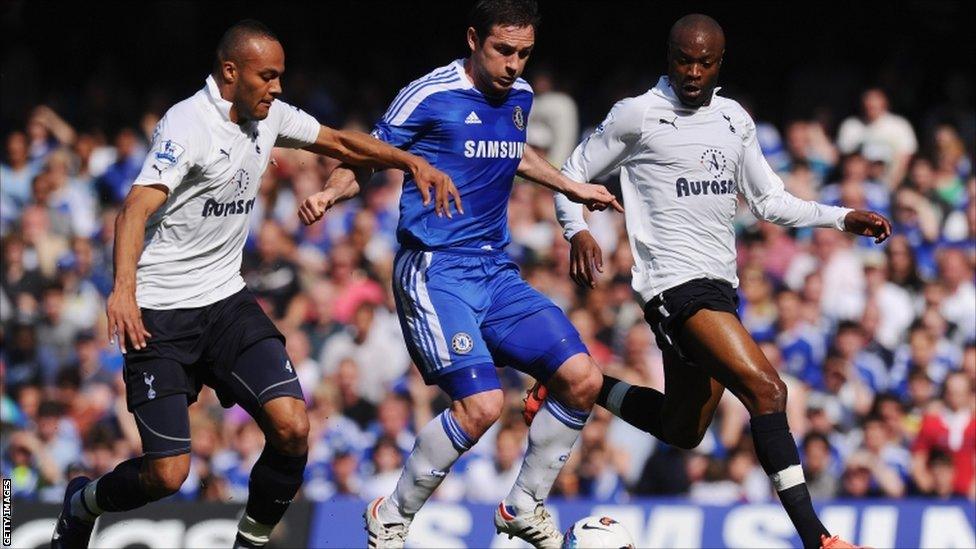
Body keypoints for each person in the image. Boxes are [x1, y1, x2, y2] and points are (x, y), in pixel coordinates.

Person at [51, 19, 458, 549]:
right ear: (230, 71)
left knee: (292, 425)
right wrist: (122, 291)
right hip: (160, 315)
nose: (278, 87)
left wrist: (410, 161)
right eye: (268, 76)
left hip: (225, 302)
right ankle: (82, 503)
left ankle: (250, 543)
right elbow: (133, 211)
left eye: (280, 76)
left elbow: (337, 141)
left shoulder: (269, 117)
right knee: (167, 475)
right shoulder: (186, 125)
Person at [528, 14, 892, 549]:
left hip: (721, 288)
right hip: (672, 287)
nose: (693, 71)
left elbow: (770, 201)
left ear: (720, 64)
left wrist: (841, 217)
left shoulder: (733, 119)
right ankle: (818, 538)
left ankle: (572, 380)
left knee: (684, 430)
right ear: (668, 56)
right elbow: (569, 174)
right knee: (768, 391)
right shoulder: (638, 115)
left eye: (705, 62)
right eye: (683, 60)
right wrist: (577, 230)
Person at [300, 2, 619, 546]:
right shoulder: (429, 94)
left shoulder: (520, 97)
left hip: (494, 269)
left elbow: (512, 152)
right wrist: (332, 191)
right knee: (482, 406)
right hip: (434, 268)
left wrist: (570, 186)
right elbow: (371, 154)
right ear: (473, 39)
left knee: (583, 378)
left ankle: (522, 505)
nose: (514, 65)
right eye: (503, 50)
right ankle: (392, 514)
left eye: (524, 54)